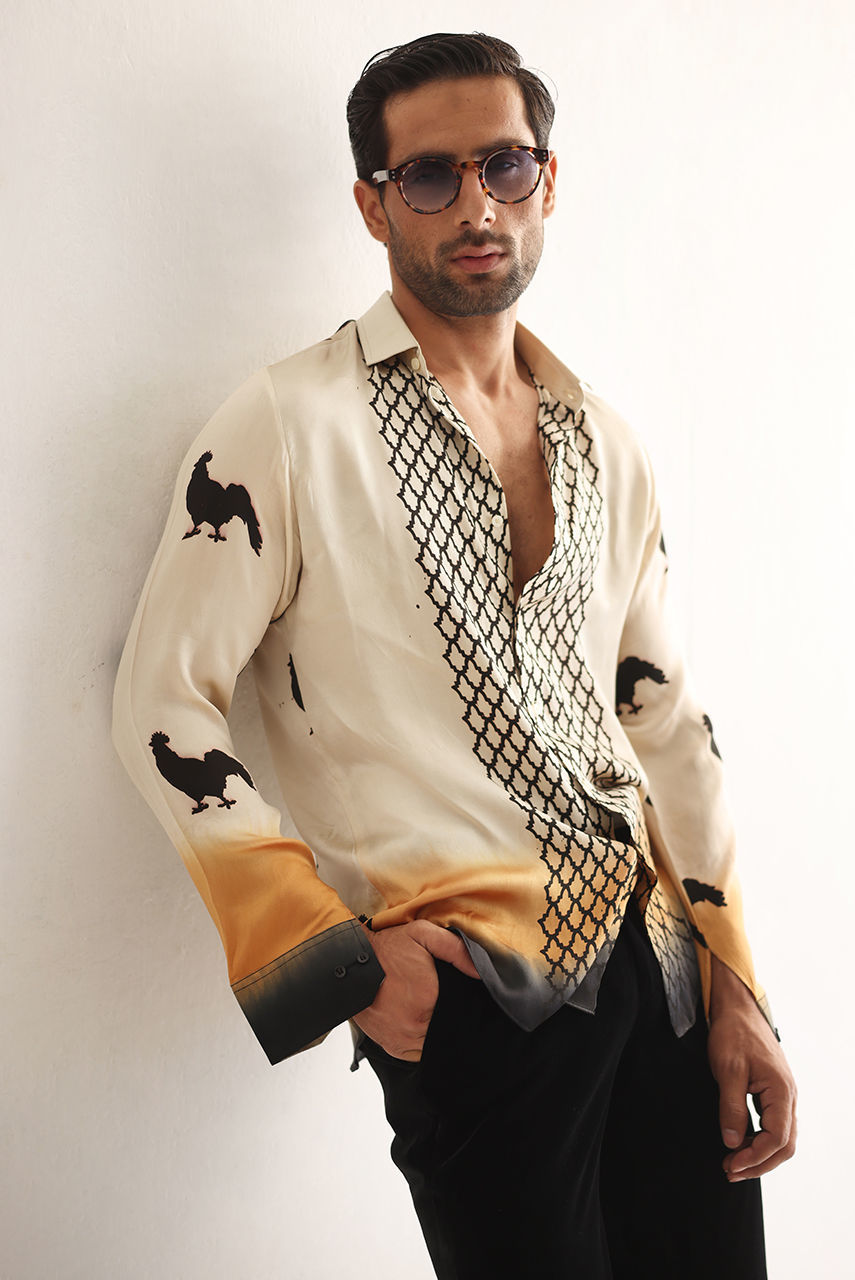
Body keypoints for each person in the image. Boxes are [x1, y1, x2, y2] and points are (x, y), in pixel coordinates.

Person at [112, 31, 796, 1279]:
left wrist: (736, 982)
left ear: (548, 180)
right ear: (373, 205)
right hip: (476, 999)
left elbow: (663, 720)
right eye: (430, 176)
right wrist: (338, 964)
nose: (477, 206)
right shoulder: (287, 427)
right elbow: (163, 705)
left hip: (662, 972)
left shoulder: (606, 441)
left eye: (505, 166)